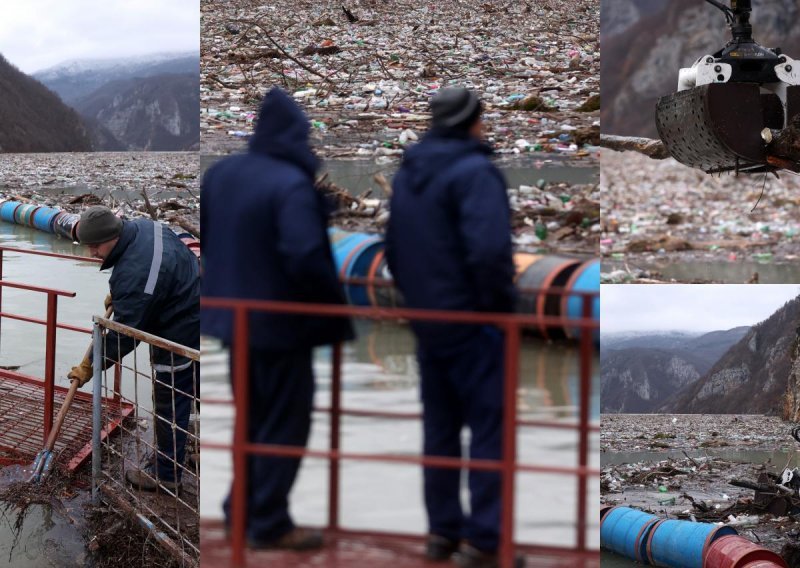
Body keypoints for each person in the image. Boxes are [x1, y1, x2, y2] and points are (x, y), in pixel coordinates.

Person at [201, 87, 354, 550]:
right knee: (286, 425)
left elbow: (211, 237)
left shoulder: (221, 174)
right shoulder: (290, 183)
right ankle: (268, 522)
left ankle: (240, 509)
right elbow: (306, 254)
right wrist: (333, 309)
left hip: (233, 324)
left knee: (250, 421)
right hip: (283, 327)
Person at [385, 87, 519, 568]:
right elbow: (488, 252)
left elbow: (394, 250)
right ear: (472, 121)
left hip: (427, 322)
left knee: (439, 430)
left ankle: (442, 534)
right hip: (474, 322)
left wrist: (418, 301)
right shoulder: (476, 172)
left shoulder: (408, 174)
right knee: (489, 430)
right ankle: (484, 543)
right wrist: (500, 307)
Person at [68, 206, 200, 492]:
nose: (92, 254)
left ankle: (165, 474)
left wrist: (91, 364)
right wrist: (120, 292)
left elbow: (125, 335)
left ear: (112, 236)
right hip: (199, 300)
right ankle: (200, 448)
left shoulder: (136, 276)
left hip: (179, 327)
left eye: (95, 247)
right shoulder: (142, 226)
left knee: (170, 397)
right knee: (197, 387)